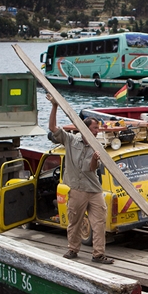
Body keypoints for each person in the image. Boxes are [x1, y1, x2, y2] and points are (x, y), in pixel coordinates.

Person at [47, 93, 111, 264]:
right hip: (77, 190)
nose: (97, 132)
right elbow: (53, 128)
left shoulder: (99, 147)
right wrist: (54, 106)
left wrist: (95, 160)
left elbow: (91, 170)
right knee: (74, 221)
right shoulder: (70, 140)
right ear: (85, 129)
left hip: (94, 190)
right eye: (94, 129)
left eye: (98, 129)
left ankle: (98, 254)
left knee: (99, 223)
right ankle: (73, 249)